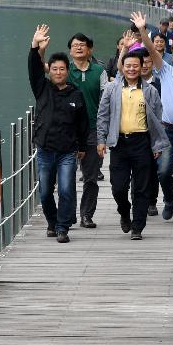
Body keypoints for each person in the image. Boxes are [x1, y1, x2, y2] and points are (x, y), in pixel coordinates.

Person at [130, 12, 173, 222]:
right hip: (168, 131)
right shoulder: (166, 70)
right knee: (163, 172)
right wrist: (142, 30)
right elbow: (150, 49)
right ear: (172, 55)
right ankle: (170, 198)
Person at [96, 50, 170, 240]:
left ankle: (137, 226)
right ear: (122, 67)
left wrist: (157, 145)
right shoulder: (112, 89)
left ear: (142, 67)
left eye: (135, 65)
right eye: (128, 65)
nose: (131, 69)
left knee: (142, 188)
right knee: (118, 187)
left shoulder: (150, 90)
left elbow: (157, 120)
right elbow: (103, 115)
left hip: (142, 142)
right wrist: (101, 140)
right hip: (119, 143)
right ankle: (124, 211)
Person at [28, 25, 89, 243]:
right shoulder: (42, 89)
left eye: (62, 69)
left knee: (66, 190)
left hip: (67, 151)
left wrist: (82, 147)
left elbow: (83, 123)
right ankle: (52, 222)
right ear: (49, 70)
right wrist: (35, 46)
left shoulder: (76, 94)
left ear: (67, 71)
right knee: (45, 193)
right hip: (45, 149)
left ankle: (62, 227)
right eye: (54, 69)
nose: (58, 72)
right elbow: (33, 69)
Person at [66, 32, 108, 229]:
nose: (79, 47)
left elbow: (105, 102)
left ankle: (86, 215)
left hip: (92, 130)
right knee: (66, 175)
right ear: (70, 50)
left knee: (91, 176)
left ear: (89, 49)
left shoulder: (99, 71)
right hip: (67, 131)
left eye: (83, 45)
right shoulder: (64, 71)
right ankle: (67, 215)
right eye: (75, 45)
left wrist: (103, 133)